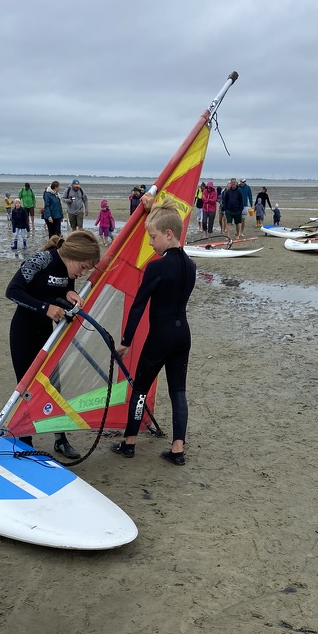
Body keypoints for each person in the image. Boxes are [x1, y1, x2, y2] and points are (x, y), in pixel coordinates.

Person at [111, 198, 195, 467]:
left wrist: (125, 342)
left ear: (168, 235)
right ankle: (177, 449)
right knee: (178, 392)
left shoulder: (156, 266)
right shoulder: (191, 266)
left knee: (140, 390)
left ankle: (129, 443)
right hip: (183, 336)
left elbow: (138, 306)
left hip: (160, 337)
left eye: (153, 236)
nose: (150, 242)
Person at [6, 230, 101, 459]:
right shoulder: (42, 260)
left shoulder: (70, 271)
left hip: (48, 335)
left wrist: (69, 294)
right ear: (74, 256)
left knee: (54, 387)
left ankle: (60, 439)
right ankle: (24, 441)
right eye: (84, 267)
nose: (83, 272)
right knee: (27, 388)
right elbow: (12, 291)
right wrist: (45, 308)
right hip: (24, 332)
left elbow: (55, 291)